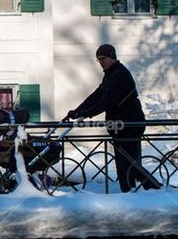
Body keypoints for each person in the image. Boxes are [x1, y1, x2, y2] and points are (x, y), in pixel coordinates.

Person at [66, 44, 161, 192]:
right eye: (98, 60)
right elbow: (97, 95)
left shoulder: (119, 74)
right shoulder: (110, 74)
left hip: (129, 125)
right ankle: (129, 193)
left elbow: (108, 101)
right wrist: (77, 111)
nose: (101, 62)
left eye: (103, 58)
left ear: (112, 56)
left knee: (129, 164)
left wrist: (85, 113)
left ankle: (155, 189)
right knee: (122, 165)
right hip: (119, 126)